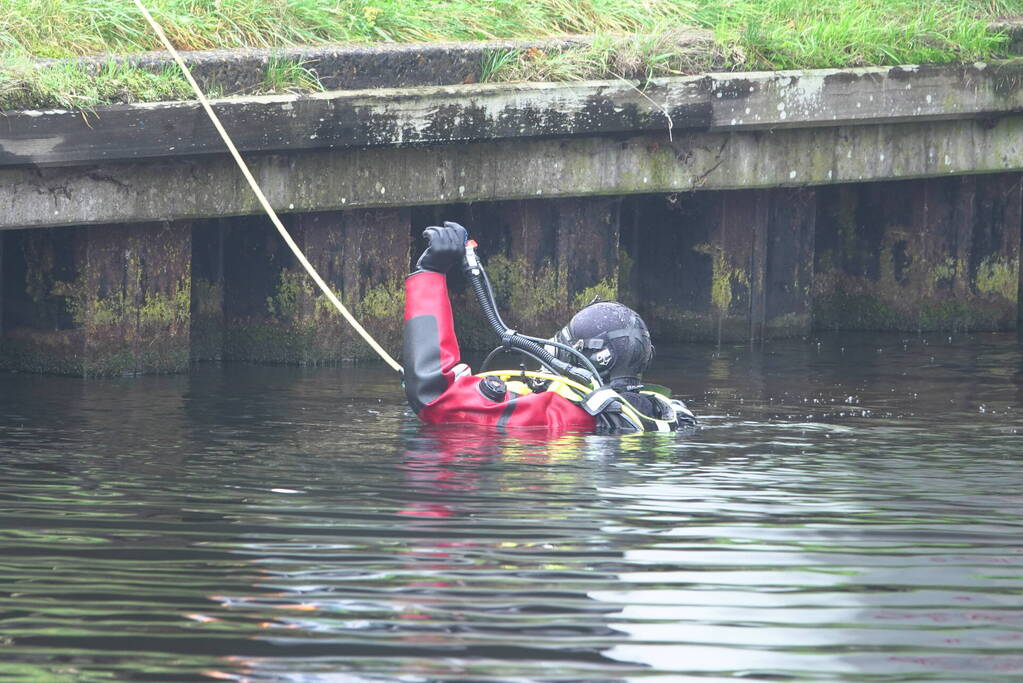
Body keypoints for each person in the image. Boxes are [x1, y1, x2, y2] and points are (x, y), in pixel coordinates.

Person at [402, 222, 697, 433]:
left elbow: (434, 398)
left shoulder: (564, 415)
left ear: (586, 358)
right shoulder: (665, 412)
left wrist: (430, 274)